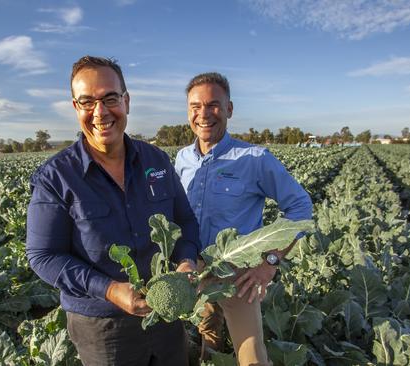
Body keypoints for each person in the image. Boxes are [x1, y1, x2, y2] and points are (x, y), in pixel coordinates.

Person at [26, 56, 200, 366]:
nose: (100, 112)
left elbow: (184, 220)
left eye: (110, 98)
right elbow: (43, 256)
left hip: (165, 314)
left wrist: (186, 262)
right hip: (101, 326)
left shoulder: (156, 161)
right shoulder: (56, 177)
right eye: (87, 102)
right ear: (76, 108)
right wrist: (108, 289)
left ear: (126, 101)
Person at [175, 72, 313, 365]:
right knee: (208, 335)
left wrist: (269, 264)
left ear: (229, 109)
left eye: (213, 104)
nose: (203, 114)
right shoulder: (182, 159)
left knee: (251, 356)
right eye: (195, 106)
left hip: (238, 275)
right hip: (196, 269)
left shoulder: (255, 158)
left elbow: (300, 208)